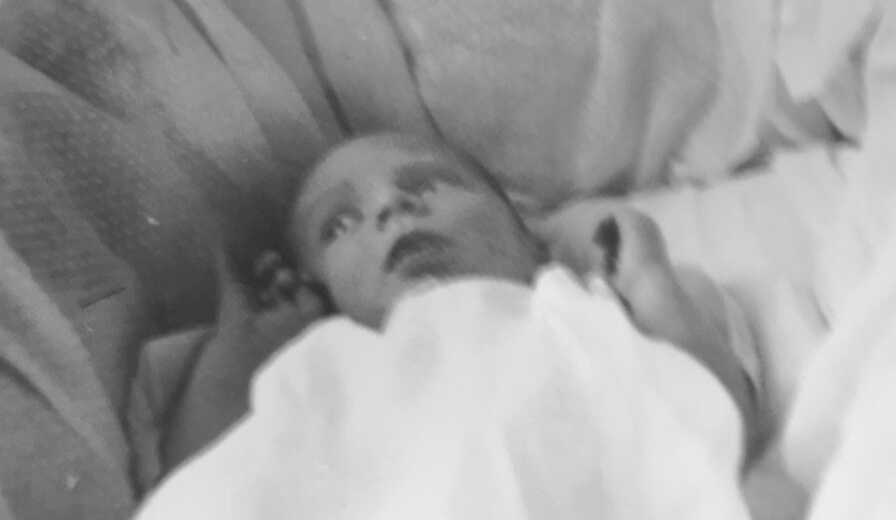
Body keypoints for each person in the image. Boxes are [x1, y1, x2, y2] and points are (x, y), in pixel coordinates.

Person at [160, 129, 758, 476]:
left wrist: (649, 280)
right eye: (339, 226)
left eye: (430, 185)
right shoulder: (339, 372)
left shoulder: (585, 304)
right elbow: (199, 515)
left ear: (528, 231)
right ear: (317, 294)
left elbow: (718, 424)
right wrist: (237, 359)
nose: (391, 211)